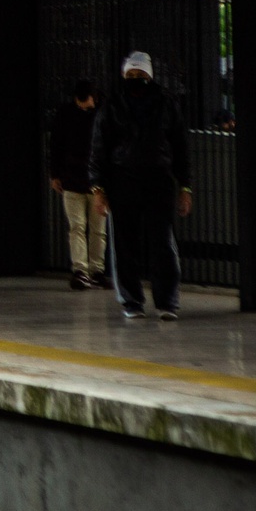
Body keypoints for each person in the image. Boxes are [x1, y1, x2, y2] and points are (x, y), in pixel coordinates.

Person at [89, 52, 192, 321]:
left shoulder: (167, 104)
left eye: (141, 75)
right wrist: (98, 189)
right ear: (124, 76)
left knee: (163, 244)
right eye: (131, 75)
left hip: (159, 181)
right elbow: (99, 148)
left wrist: (186, 186)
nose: (136, 80)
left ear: (150, 76)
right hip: (122, 181)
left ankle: (167, 301)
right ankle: (131, 301)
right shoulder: (111, 106)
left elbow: (180, 146)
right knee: (124, 245)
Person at [49, 79, 106, 290]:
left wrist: (56, 173)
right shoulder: (100, 113)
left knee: (83, 228)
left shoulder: (70, 113)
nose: (84, 108)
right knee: (87, 228)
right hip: (85, 180)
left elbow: (56, 144)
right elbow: (56, 144)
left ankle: (87, 270)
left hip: (81, 178)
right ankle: (88, 270)